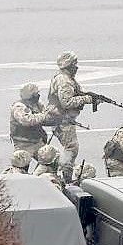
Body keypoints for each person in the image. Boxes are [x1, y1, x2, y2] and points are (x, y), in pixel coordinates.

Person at [48, 51, 98, 183]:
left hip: (61, 119)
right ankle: (67, 176)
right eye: (74, 64)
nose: (76, 67)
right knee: (71, 148)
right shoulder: (65, 81)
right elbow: (66, 103)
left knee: (70, 148)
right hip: (63, 121)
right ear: (68, 65)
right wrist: (86, 99)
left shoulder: (65, 77)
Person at [9, 83, 59, 161]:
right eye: (36, 93)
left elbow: (45, 118)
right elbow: (27, 120)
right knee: (21, 165)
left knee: (50, 161)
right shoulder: (19, 107)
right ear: (30, 95)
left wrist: (57, 119)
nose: (38, 95)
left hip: (37, 142)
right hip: (23, 144)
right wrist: (44, 115)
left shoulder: (37, 105)